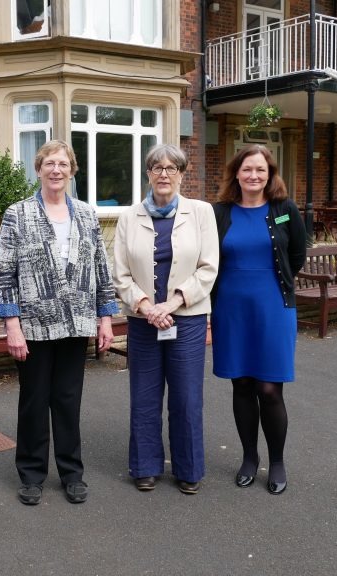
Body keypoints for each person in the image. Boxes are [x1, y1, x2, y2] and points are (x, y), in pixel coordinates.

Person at [0, 139, 119, 506]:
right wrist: (12, 325)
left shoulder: (86, 214)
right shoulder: (17, 214)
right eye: (49, 163)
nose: (56, 170)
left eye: (63, 163)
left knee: (68, 400)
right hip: (33, 325)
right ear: (38, 169)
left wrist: (105, 318)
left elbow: (100, 268)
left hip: (76, 321)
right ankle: (32, 474)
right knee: (34, 400)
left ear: (71, 170)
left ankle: (71, 473)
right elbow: (4, 274)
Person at [112, 143, 219, 495]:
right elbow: (121, 274)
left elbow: (208, 268)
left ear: (182, 175)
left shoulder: (201, 213)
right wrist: (146, 307)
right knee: (144, 396)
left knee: (187, 398)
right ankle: (145, 466)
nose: (164, 174)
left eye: (172, 168)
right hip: (143, 321)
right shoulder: (129, 217)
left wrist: (171, 303)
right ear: (148, 174)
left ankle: (188, 469)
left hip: (185, 320)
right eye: (156, 167)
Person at [211, 144, 306, 496]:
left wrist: (271, 280)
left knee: (269, 388)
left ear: (270, 175)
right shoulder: (219, 212)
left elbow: (297, 254)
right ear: (236, 173)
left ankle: (277, 461)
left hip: (273, 306)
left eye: (261, 170)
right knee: (242, 384)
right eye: (247, 169)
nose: (254, 175)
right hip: (231, 308)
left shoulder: (285, 209)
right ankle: (249, 458)